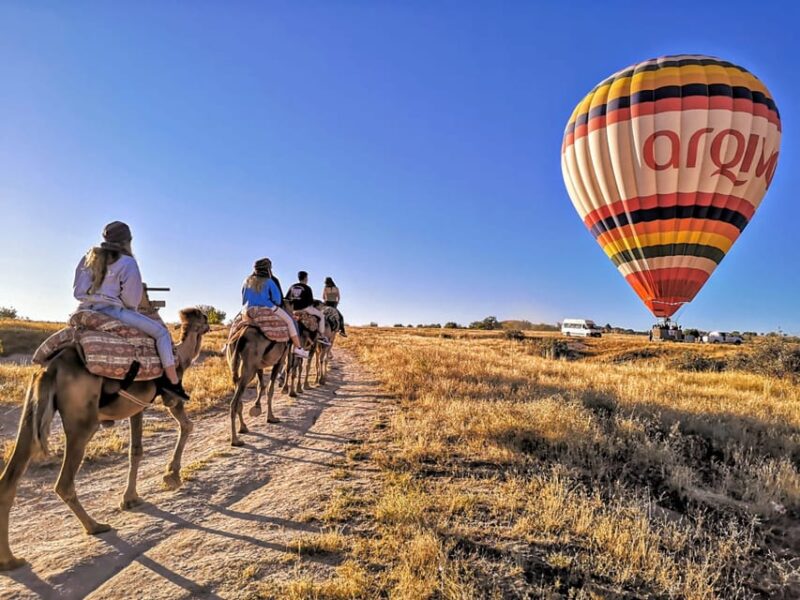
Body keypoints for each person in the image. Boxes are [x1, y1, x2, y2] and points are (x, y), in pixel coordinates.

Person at [73, 221, 189, 400]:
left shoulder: (88, 258)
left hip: (84, 311)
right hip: (114, 311)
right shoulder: (127, 262)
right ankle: (173, 383)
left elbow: (78, 291)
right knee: (161, 334)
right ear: (128, 241)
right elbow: (130, 300)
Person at [242, 258, 309, 358]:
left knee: (236, 323)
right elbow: (277, 300)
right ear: (267, 269)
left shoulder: (246, 281)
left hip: (248, 310)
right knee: (290, 321)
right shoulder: (269, 281)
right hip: (267, 308)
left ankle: (228, 343)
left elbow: (243, 298)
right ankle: (298, 348)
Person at [285, 271, 330, 345]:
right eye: (307, 278)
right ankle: (322, 336)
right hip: (304, 308)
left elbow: (287, 298)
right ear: (305, 278)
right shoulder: (307, 288)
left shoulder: (292, 286)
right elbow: (310, 302)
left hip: (292, 309)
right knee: (321, 316)